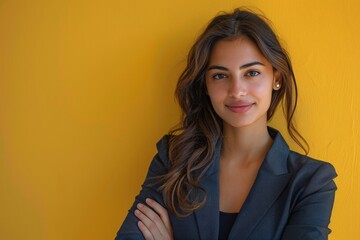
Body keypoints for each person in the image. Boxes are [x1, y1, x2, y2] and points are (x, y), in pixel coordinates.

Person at [115, 8, 337, 240]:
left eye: (251, 73)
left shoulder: (311, 182)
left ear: (276, 78)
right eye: (220, 76)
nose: (237, 91)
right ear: (206, 86)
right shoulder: (173, 158)